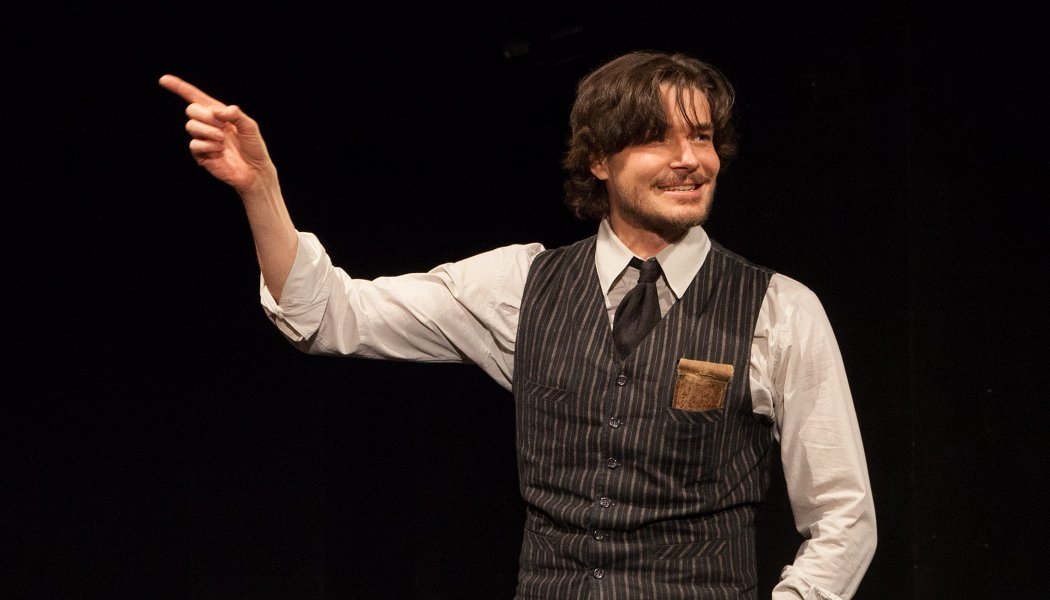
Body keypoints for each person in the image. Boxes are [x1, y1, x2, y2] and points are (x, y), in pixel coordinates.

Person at [160, 50, 876, 599]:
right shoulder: (519, 287)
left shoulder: (779, 309)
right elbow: (327, 315)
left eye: (702, 136)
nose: (690, 159)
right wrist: (261, 190)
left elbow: (843, 516)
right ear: (598, 159)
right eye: (657, 139)